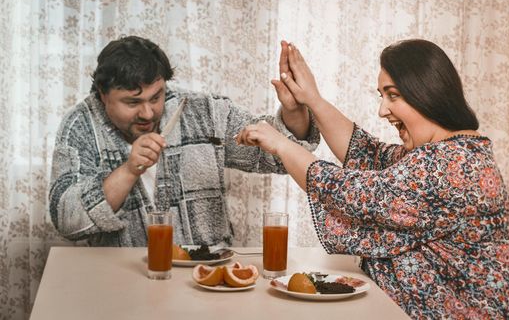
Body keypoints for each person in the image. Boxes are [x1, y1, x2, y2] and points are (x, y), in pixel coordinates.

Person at [236, 39, 509, 318]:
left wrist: (282, 145)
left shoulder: (456, 165)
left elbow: (353, 193)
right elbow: (367, 152)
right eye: (382, 96)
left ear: (427, 93)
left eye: (393, 95)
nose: (382, 110)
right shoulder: (452, 151)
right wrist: (311, 98)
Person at [48, 36, 319, 247]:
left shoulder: (203, 110)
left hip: (205, 278)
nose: (147, 112)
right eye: (132, 102)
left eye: (156, 97)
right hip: (120, 281)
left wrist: (294, 111)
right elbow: (68, 221)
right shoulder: (79, 124)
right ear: (102, 94)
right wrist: (129, 170)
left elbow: (279, 158)